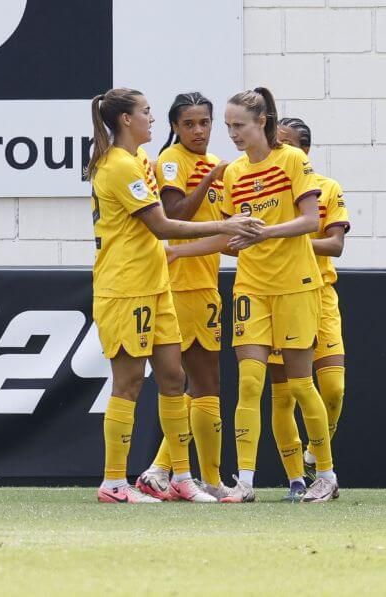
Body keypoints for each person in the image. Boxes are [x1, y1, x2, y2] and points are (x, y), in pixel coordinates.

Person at [86, 87, 262, 504]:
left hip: (156, 284)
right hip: (125, 287)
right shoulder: (118, 166)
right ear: (126, 119)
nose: (151, 118)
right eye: (146, 112)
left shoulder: (139, 160)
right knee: (128, 382)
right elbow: (163, 224)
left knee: (173, 378)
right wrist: (225, 226)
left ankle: (180, 476)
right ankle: (114, 482)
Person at [166, 87, 339, 503]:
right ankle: (245, 481)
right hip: (251, 286)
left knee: (301, 384)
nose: (232, 134)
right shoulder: (233, 173)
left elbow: (309, 220)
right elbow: (230, 236)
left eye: (239, 125)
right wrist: (178, 251)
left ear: (262, 122)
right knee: (248, 384)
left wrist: (265, 233)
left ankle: (326, 474)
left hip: (296, 284)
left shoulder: (292, 160)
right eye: (228, 126)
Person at [135, 92, 232, 501]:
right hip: (177, 286)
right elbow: (176, 217)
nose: (198, 130)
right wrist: (209, 179)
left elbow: (222, 231)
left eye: (204, 122)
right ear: (175, 127)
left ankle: (167, 472)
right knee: (195, 384)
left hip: (206, 284)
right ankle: (200, 478)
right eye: (189, 123)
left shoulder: (217, 165)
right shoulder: (171, 161)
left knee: (205, 386)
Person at [267, 117, 350, 501]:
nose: (278, 148)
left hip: (320, 294)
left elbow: (335, 245)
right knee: (284, 396)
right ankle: (296, 480)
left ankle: (316, 453)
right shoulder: (266, 189)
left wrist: (285, 239)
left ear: (305, 151)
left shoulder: (326, 188)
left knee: (333, 389)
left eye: (285, 142)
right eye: (275, 140)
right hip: (279, 294)